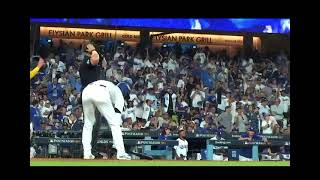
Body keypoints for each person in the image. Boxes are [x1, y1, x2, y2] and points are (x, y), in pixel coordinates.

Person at [81, 80, 131, 160]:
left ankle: (87, 154)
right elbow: (116, 120)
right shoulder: (119, 93)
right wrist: (114, 146)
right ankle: (121, 153)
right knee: (114, 124)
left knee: (88, 124)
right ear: (124, 92)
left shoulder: (111, 86)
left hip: (86, 90)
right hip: (101, 92)